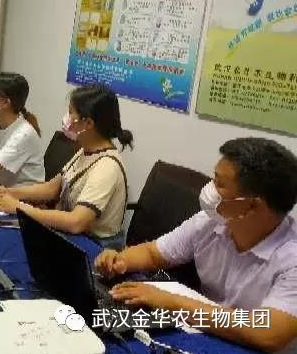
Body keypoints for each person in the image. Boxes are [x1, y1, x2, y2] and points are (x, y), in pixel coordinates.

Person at [95, 138, 297, 353]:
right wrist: (120, 260)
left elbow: (268, 333)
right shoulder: (210, 222)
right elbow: (154, 253)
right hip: (206, 332)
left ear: (253, 205)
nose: (209, 189)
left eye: (219, 184)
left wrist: (172, 303)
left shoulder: (291, 258)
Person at [0, 84, 131, 248]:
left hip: (94, 246)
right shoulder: (86, 151)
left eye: (71, 112)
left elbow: (76, 222)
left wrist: (19, 208)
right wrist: (9, 193)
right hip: (72, 235)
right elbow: (52, 188)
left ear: (88, 123)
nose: (67, 118)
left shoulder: (107, 167)